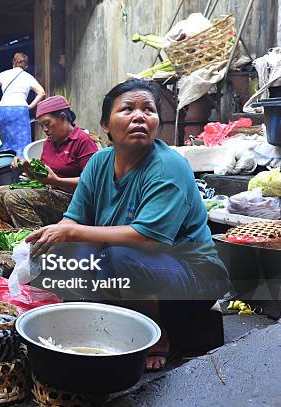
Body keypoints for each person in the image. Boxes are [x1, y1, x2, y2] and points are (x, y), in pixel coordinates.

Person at [25, 79, 231, 371]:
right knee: (64, 256)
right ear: (105, 125)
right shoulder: (98, 163)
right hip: (135, 267)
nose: (139, 116)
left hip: (193, 279)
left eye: (148, 109)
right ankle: (104, 321)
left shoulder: (168, 166)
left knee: (124, 256)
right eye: (127, 109)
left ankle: (158, 338)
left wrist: (70, 231)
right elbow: (74, 217)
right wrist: (56, 236)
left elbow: (148, 240)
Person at [0, 96, 98, 228]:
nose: (45, 130)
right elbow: (42, 179)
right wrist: (26, 167)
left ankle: (36, 240)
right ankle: (15, 233)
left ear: (63, 118)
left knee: (14, 197)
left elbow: (93, 184)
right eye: (41, 125)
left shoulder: (82, 140)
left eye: (47, 124)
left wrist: (57, 181)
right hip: (50, 191)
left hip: (74, 199)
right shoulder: (50, 142)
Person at [0, 52, 46, 156]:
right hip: (20, 109)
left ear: (13, 63)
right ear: (26, 65)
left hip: (4, 110)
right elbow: (41, 93)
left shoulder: (4, 74)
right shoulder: (28, 77)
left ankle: (5, 164)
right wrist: (31, 106)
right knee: (21, 142)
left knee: (5, 141)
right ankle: (21, 167)